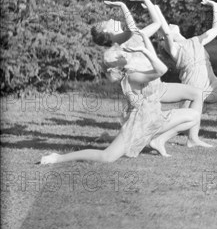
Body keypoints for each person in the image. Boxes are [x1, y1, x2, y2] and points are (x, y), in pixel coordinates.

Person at [40, 30, 200, 164]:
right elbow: (161, 69)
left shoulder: (132, 73)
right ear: (119, 64)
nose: (126, 54)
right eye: (122, 55)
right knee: (107, 157)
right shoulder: (133, 76)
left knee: (193, 116)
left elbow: (155, 64)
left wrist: (144, 39)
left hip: (154, 119)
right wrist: (143, 51)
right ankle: (57, 158)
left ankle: (157, 140)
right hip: (139, 124)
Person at [92, 0, 211, 148]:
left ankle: (192, 138)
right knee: (139, 133)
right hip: (146, 89)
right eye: (107, 22)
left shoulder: (136, 35)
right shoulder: (120, 41)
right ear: (106, 32)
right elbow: (131, 27)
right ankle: (163, 140)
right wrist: (123, 6)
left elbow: (157, 23)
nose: (110, 19)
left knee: (196, 94)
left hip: (156, 84)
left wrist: (147, 1)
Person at [145, 0, 217, 140]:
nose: (170, 25)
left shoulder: (196, 41)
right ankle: (148, 128)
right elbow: (165, 31)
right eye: (166, 28)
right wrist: (154, 7)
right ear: (163, 38)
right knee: (179, 128)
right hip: (192, 93)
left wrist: (215, 6)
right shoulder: (174, 49)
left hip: (212, 87)